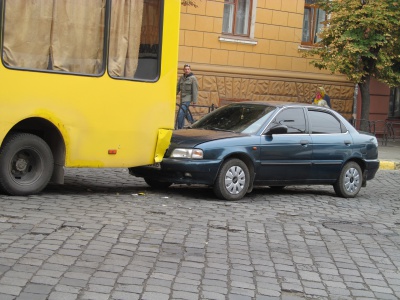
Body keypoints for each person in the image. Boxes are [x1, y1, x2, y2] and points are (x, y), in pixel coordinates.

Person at [176, 64, 198, 129]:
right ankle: (193, 122)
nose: (187, 70)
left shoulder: (193, 78)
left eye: (188, 69)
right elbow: (178, 88)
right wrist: (173, 95)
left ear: (190, 70)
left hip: (188, 98)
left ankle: (179, 128)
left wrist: (194, 102)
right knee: (184, 112)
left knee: (180, 113)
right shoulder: (181, 78)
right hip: (182, 98)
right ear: (183, 70)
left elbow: (195, 90)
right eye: (185, 69)